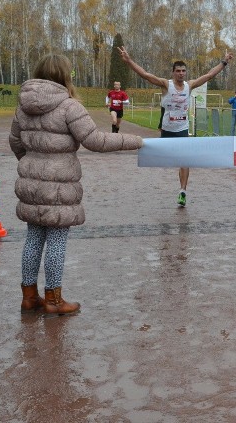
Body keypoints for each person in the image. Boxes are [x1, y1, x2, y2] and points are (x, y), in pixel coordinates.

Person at [9, 53, 143, 315]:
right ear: (64, 75)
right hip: (59, 187)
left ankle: (29, 297)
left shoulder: (22, 107)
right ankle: (54, 300)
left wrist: (32, 165)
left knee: (33, 239)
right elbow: (95, 141)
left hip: (31, 184)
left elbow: (15, 142)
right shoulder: (69, 107)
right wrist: (136, 141)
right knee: (57, 240)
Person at [118, 46, 232, 206]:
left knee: (185, 159)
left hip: (182, 129)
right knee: (160, 159)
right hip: (167, 129)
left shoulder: (189, 85)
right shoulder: (166, 84)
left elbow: (209, 75)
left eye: (183, 71)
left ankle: (182, 191)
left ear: (186, 73)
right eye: (178, 71)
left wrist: (224, 62)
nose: (181, 73)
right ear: (173, 72)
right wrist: (128, 60)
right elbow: (144, 74)